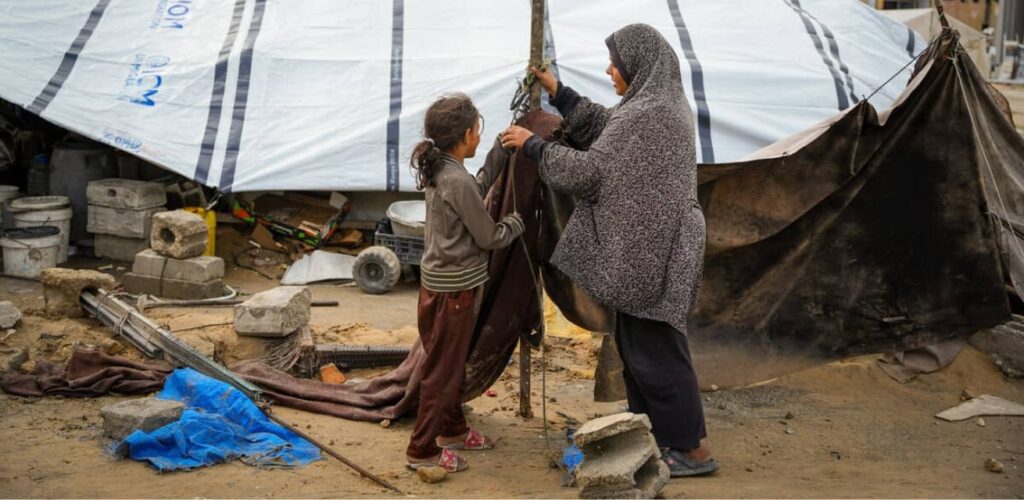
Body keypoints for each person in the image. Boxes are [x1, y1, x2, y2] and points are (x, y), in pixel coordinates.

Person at [500, 23, 718, 477]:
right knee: (642, 348)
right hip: (658, 247)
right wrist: (560, 94)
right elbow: (606, 128)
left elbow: (591, 172)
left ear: (637, 66)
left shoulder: (648, 114)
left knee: (658, 352)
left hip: (656, 251)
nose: (610, 69)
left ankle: (694, 451)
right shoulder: (655, 104)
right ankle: (664, 438)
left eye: (615, 63)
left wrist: (535, 147)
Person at [406, 93, 526, 472]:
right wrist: (515, 224)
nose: (478, 136)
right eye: (478, 131)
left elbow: (477, 186)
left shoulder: (443, 167)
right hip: (454, 294)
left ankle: (453, 428)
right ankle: (422, 449)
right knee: (443, 372)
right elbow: (489, 237)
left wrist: (497, 151)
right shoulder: (456, 180)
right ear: (464, 135)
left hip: (438, 288)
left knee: (449, 364)